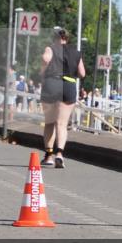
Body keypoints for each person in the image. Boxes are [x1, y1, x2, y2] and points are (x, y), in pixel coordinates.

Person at [39, 27, 86, 168]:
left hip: (52, 83)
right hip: (69, 86)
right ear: (67, 38)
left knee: (49, 122)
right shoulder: (76, 52)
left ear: (55, 38)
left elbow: (45, 59)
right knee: (62, 123)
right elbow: (82, 73)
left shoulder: (51, 48)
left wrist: (42, 71)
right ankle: (60, 154)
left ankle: (48, 156)